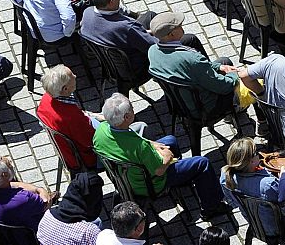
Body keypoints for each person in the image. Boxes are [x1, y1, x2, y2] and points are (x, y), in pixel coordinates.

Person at [93, 91, 230, 214]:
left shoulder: (100, 131)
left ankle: (183, 179)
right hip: (148, 183)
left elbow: (135, 141)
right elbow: (159, 170)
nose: (134, 110)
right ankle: (211, 207)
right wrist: (167, 157)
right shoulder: (140, 147)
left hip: (127, 176)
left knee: (170, 140)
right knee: (202, 163)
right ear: (127, 117)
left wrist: (152, 144)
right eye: (132, 109)